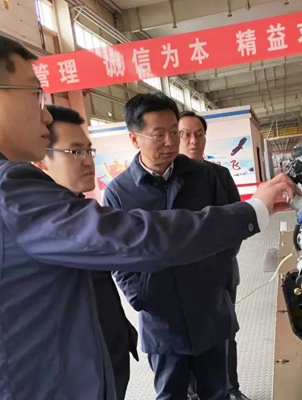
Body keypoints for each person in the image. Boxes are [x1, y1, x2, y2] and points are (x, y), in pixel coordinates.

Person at [0, 28, 297, 400]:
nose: (45, 117)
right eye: (34, 95)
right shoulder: (3, 187)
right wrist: (254, 209)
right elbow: (137, 237)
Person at [103, 93, 243, 400]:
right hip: (162, 319)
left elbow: (230, 232)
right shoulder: (119, 193)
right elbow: (118, 257)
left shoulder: (206, 177)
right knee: (170, 394)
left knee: (217, 392)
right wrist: (141, 296)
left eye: (173, 132)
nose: (170, 142)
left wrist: (214, 278)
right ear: (134, 138)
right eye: (158, 135)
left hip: (209, 308)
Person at [35, 104, 138, 400]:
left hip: (110, 351)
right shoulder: (41, 222)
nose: (88, 161)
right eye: (75, 152)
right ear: (41, 159)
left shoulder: (81, 208)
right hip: (78, 371)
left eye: (89, 151)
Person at [178, 111, 249, 400]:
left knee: (226, 332)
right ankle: (193, 394)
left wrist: (221, 260)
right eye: (185, 134)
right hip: (181, 278)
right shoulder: (168, 182)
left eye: (199, 134)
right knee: (187, 337)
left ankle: (231, 389)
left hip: (222, 272)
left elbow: (238, 222)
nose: (193, 141)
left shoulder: (220, 176)